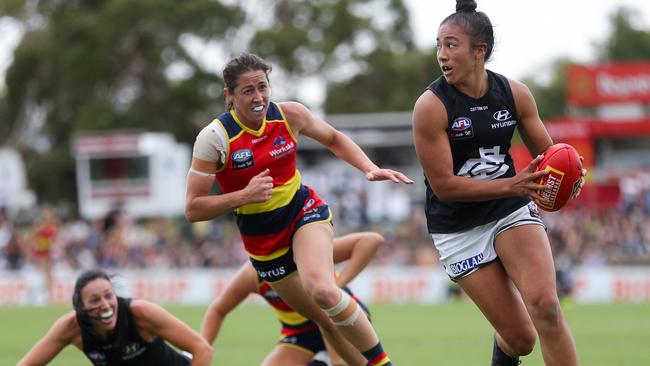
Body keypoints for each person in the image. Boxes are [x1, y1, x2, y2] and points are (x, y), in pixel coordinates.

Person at [186, 52, 412, 366]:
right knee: (326, 319)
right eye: (248, 90)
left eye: (263, 87)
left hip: (303, 211)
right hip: (264, 243)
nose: (258, 97)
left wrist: (369, 168)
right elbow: (194, 209)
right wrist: (243, 196)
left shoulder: (289, 114)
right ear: (230, 95)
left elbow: (333, 138)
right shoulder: (214, 139)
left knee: (323, 290)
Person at [411, 1, 582, 365]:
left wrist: (571, 171)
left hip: (510, 210)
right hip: (458, 226)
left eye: (451, 44)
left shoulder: (514, 94)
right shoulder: (431, 106)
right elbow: (445, 187)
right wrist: (513, 186)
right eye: (439, 44)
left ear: (479, 52)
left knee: (547, 307)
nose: (441, 54)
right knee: (520, 339)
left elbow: (552, 155)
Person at [201, 232, 384, 366]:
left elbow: (371, 241)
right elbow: (218, 310)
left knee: (333, 339)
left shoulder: (306, 253)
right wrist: (201, 348)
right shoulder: (252, 274)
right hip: (300, 333)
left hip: (338, 317)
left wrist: (339, 285)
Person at [18, 269, 213, 366]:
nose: (105, 305)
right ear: (81, 307)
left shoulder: (140, 314)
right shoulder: (71, 328)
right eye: (94, 300)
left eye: (108, 296)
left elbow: (202, 349)